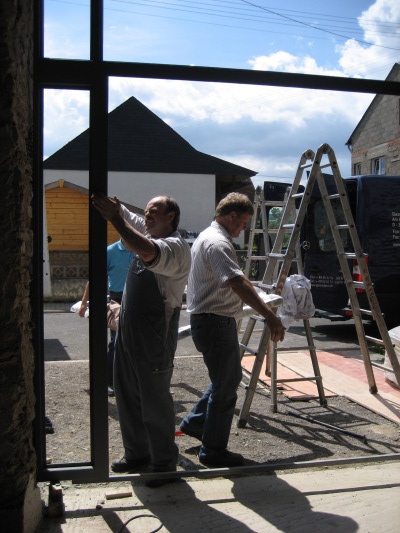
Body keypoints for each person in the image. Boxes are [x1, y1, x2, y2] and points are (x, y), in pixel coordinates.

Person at [180, 192, 286, 468]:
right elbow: (236, 282)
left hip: (212, 320)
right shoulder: (217, 243)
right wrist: (269, 316)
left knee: (226, 379)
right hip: (214, 322)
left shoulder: (209, 237)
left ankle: (195, 423)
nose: (243, 229)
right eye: (243, 223)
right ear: (231, 217)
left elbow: (233, 281)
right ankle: (213, 451)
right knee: (226, 386)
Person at [92, 193, 191, 482]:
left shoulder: (175, 248)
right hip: (128, 334)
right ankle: (137, 454)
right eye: (145, 212)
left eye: (153, 212)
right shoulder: (148, 230)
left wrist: (114, 219)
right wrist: (116, 209)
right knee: (127, 396)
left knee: (154, 401)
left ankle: (163, 463)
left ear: (170, 217)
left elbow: (148, 251)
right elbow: (133, 222)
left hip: (154, 336)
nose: (146, 216)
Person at [79, 238, 136, 396]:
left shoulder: (140, 250)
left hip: (137, 298)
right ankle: (108, 380)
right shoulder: (111, 251)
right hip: (117, 299)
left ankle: (128, 380)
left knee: (133, 343)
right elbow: (95, 277)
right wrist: (84, 303)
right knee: (116, 341)